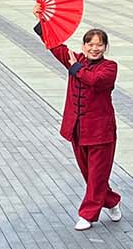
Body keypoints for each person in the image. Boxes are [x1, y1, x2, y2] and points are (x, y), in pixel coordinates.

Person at [37, 24, 122, 231]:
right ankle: (111, 200)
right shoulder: (76, 59)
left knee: (96, 176)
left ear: (105, 47)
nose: (95, 48)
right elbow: (55, 46)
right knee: (89, 174)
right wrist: (43, 20)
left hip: (101, 132)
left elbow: (95, 80)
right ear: (83, 46)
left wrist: (75, 67)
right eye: (90, 44)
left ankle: (87, 215)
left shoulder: (109, 67)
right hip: (77, 129)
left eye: (99, 45)